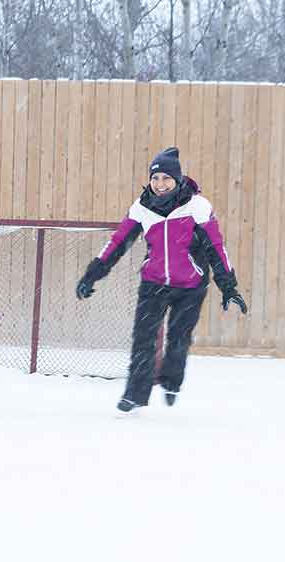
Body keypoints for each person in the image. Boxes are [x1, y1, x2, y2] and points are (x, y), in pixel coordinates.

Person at [76, 147, 247, 413]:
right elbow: (118, 242)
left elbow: (216, 246)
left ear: (178, 179)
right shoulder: (142, 207)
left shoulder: (197, 207)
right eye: (155, 179)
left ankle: (171, 382)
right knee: (143, 338)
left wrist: (228, 286)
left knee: (178, 338)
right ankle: (135, 394)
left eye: (166, 178)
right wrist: (92, 274)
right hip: (154, 283)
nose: (160, 184)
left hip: (190, 286)